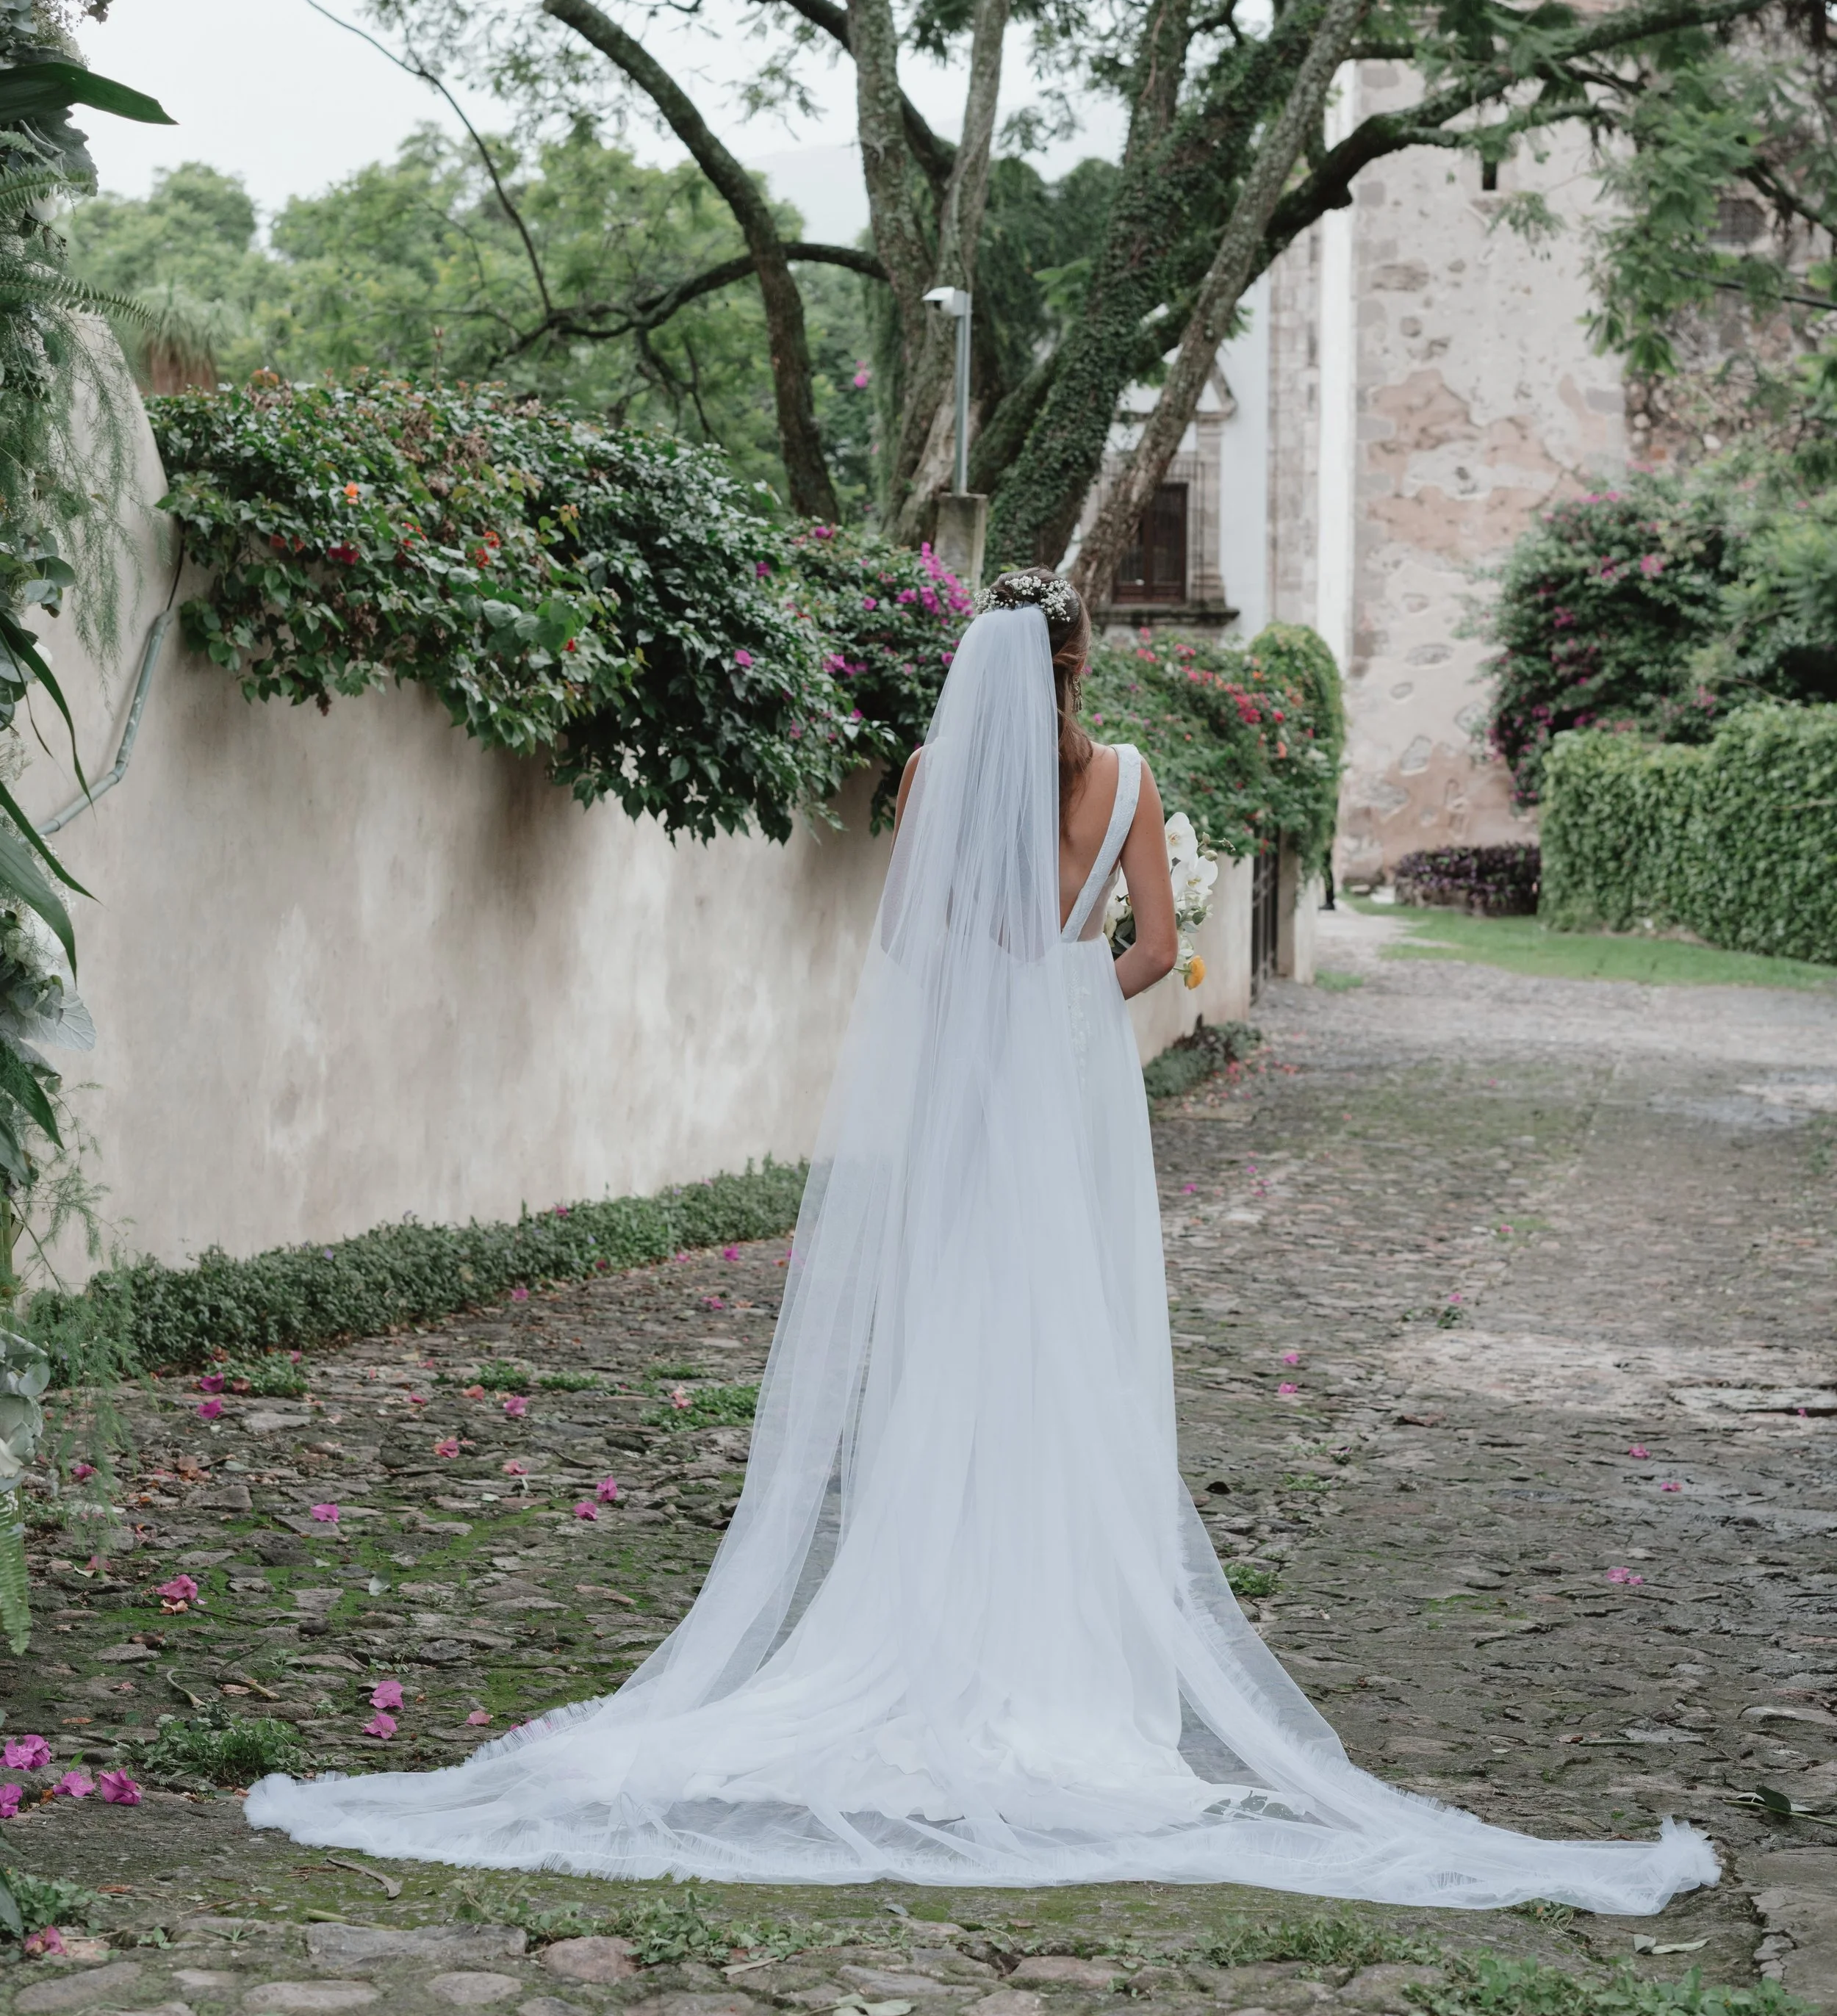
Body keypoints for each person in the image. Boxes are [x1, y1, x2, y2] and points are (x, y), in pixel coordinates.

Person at [246, 571, 1716, 1906]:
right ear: (1079, 665)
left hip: (963, 1082)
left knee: (952, 1330)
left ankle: (924, 1613)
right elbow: (1156, 947)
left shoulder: (935, 771)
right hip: (1064, 1087)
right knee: (1065, 1341)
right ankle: (1061, 1637)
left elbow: (902, 941)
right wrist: (1067, 977)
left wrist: (986, 969)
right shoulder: (1129, 778)